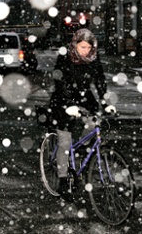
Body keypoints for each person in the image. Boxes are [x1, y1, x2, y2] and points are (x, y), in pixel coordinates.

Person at [48, 28, 112, 201]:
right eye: (82, 47)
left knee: (93, 124)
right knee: (65, 141)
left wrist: (106, 103)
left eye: (88, 48)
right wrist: (68, 105)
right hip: (63, 99)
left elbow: (100, 81)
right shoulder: (65, 57)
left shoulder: (93, 59)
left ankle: (82, 148)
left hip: (84, 97)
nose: (85, 51)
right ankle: (62, 178)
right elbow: (59, 81)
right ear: (75, 44)